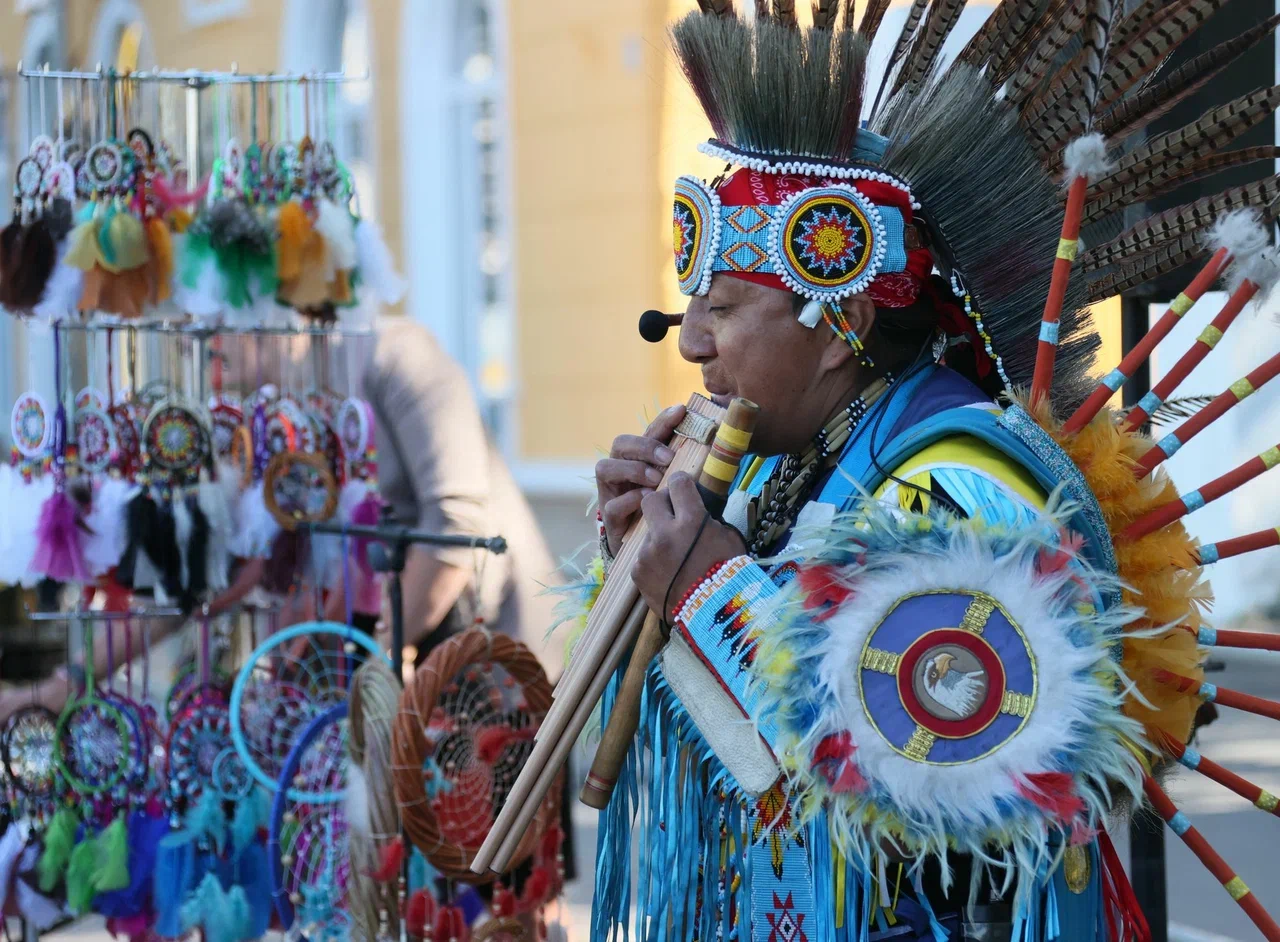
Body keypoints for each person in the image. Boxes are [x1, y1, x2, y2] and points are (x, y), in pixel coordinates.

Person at [576, 4, 1280, 941]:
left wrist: (706, 584)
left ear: (844, 325)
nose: (693, 340)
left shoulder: (964, 480)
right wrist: (637, 559)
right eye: (690, 305)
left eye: (727, 304)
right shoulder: (785, 470)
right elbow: (685, 746)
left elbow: (929, 768)